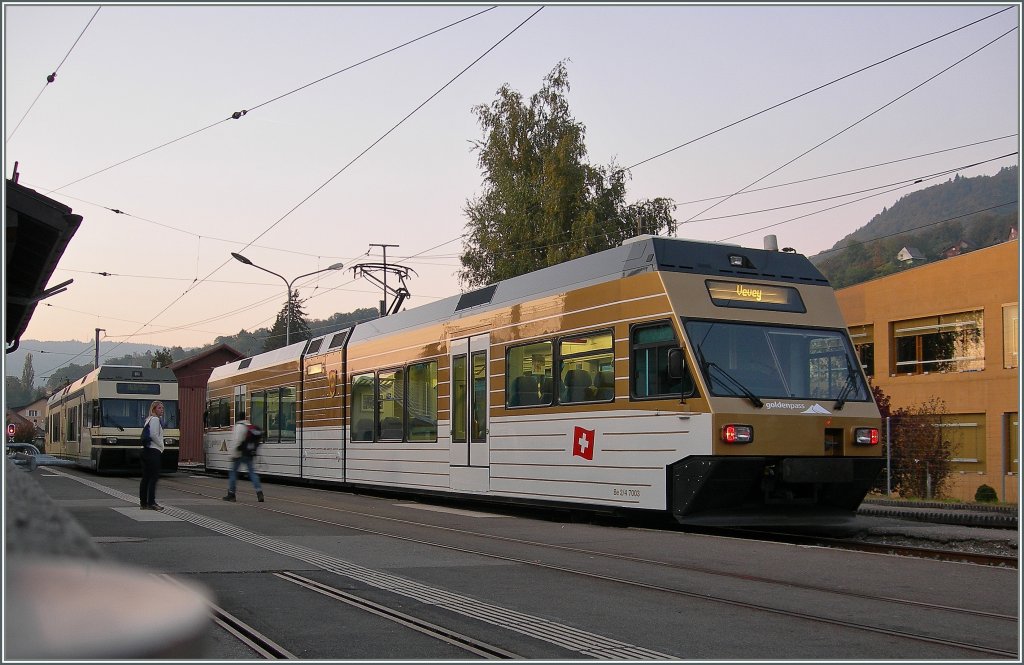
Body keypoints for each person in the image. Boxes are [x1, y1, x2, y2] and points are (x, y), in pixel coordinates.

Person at [223, 410, 264, 503]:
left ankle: (231, 494)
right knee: (252, 473)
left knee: (233, 473)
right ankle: (259, 492)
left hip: (239, 453)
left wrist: (233, 454)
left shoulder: (238, 427)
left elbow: (237, 441)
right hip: (248, 453)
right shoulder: (249, 426)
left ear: (238, 417)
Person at [139, 401, 165, 511]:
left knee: (146, 478)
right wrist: (161, 446)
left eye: (162, 408)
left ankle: (143, 503)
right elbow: (154, 434)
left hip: (146, 451)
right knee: (153, 478)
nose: (162, 410)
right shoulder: (155, 419)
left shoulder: (148, 419)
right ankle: (151, 502)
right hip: (153, 451)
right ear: (154, 409)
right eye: (159, 408)